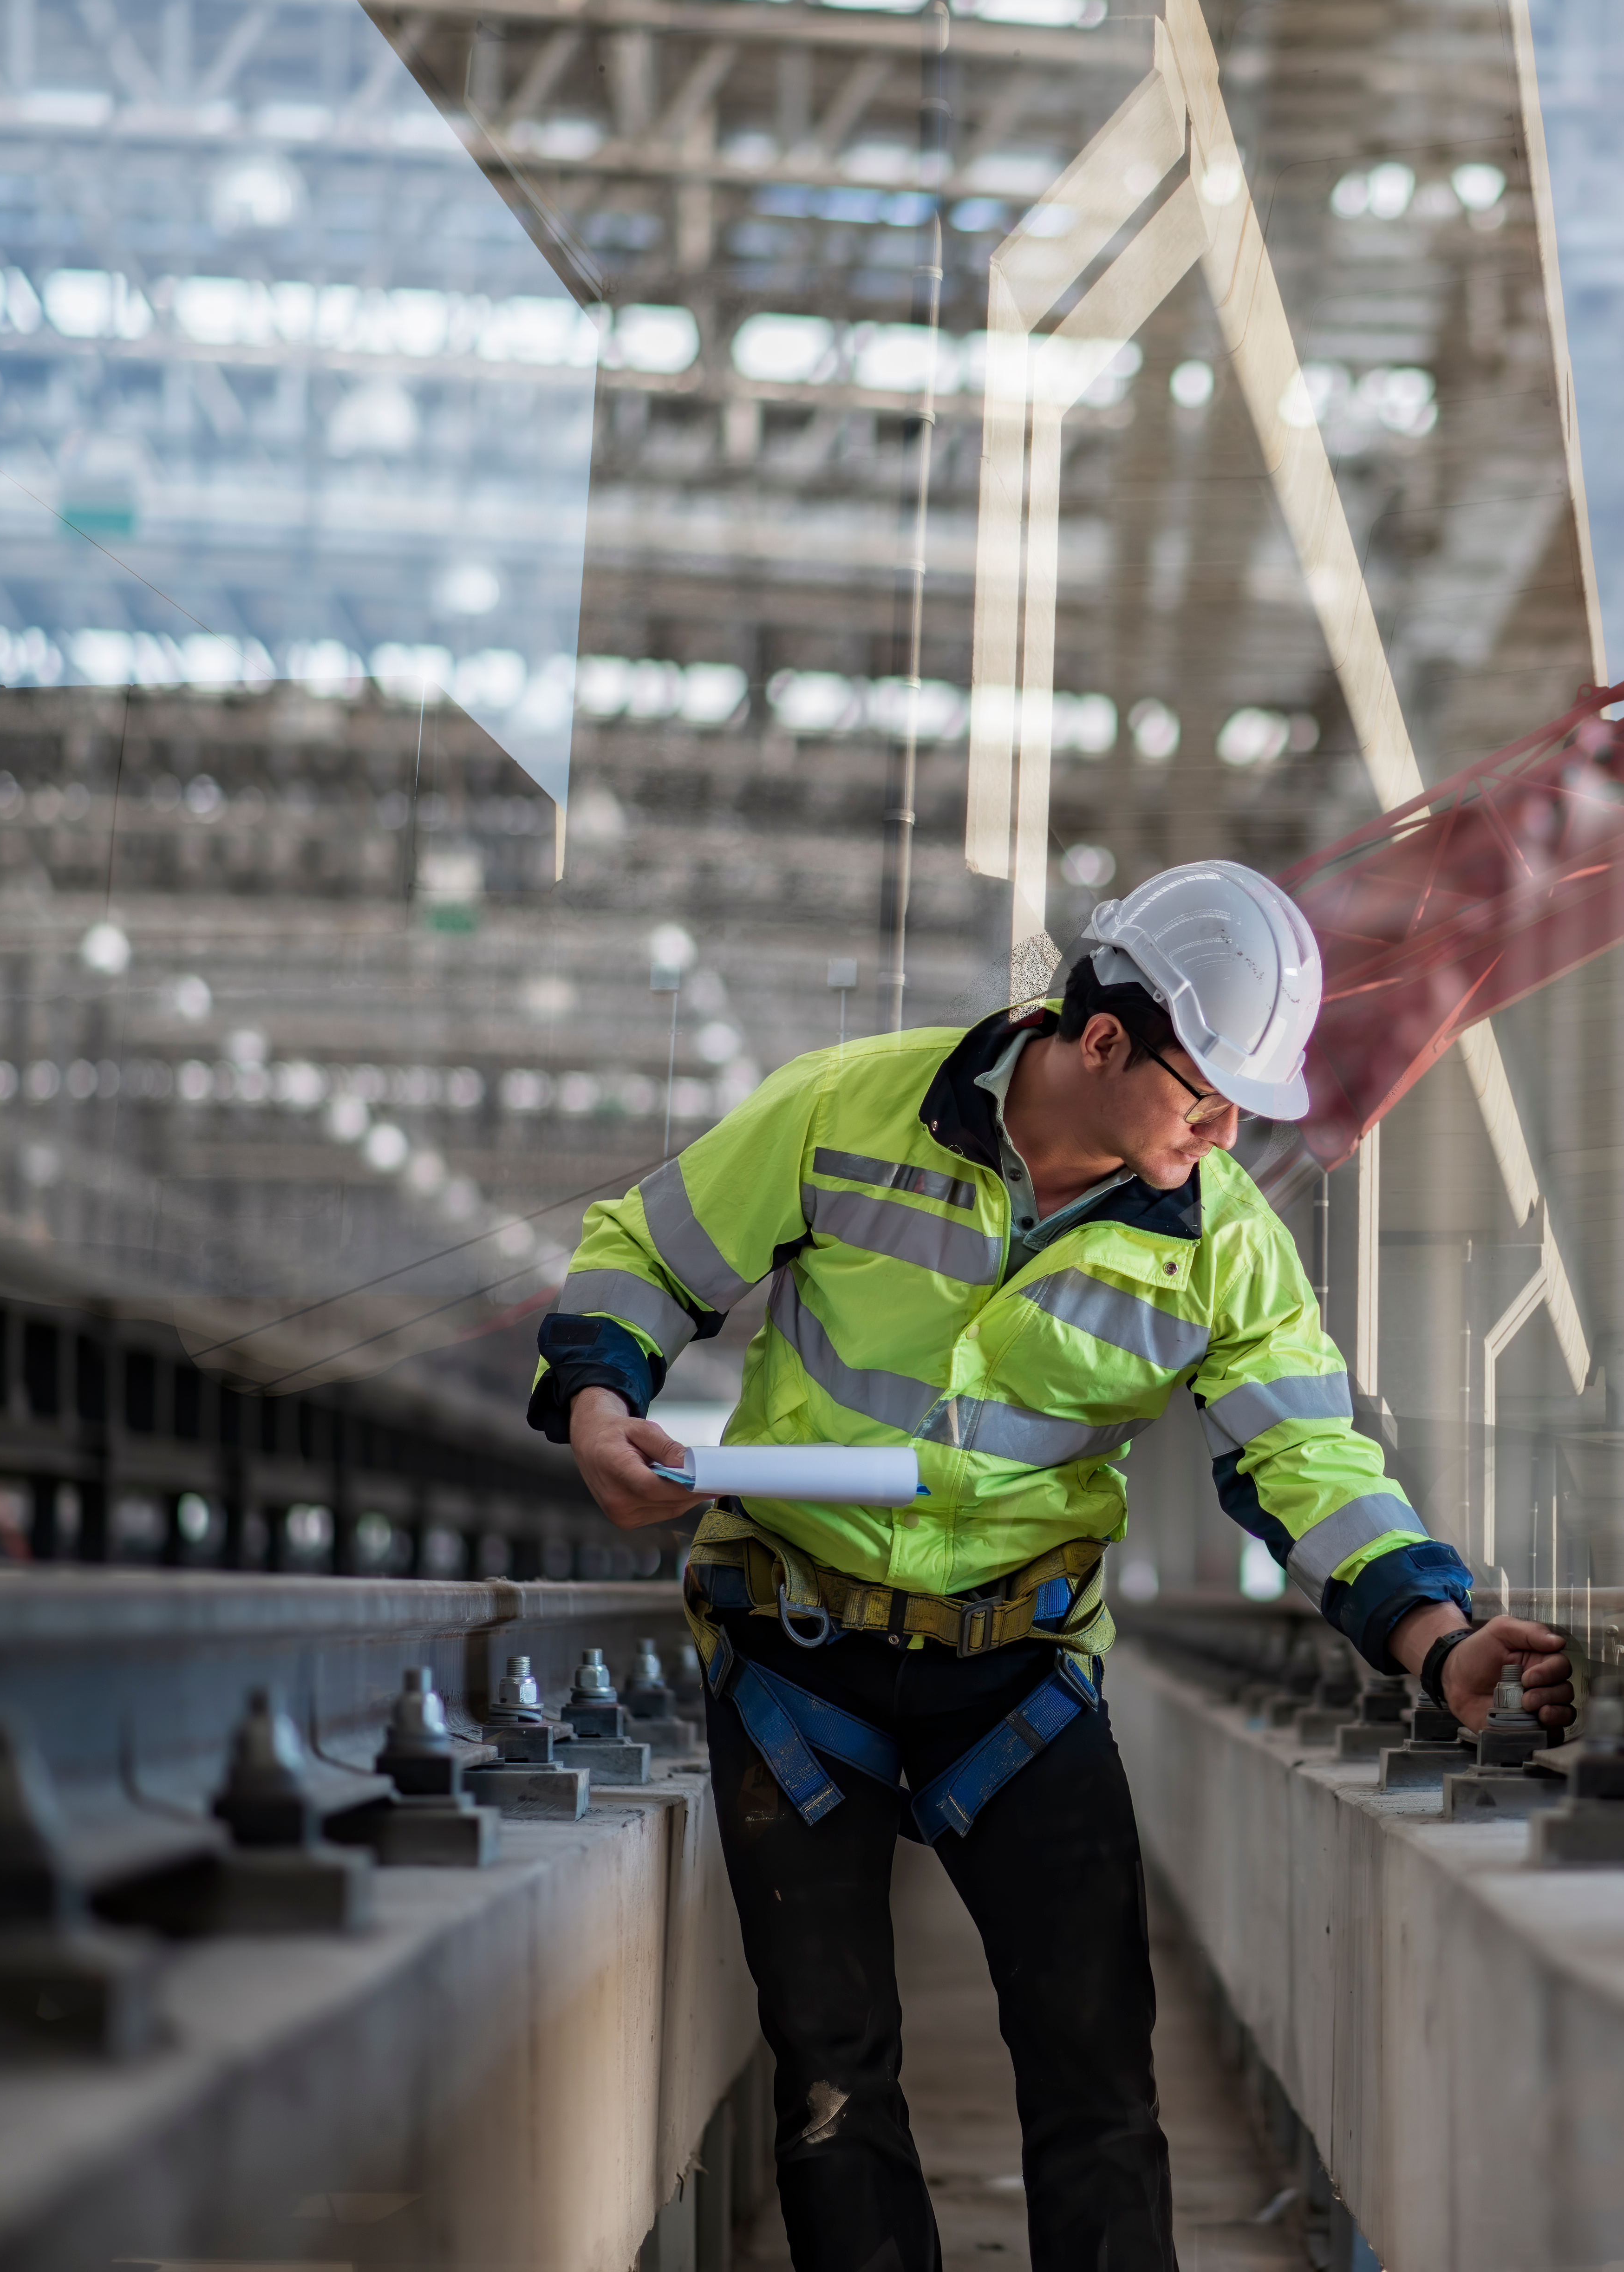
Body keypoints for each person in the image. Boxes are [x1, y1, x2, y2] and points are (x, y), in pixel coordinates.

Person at [528, 859, 1571, 2271]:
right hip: (796, 1658)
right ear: (1099, 1039)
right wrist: (599, 1400)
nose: (1218, 1133)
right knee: (835, 2082)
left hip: (1016, 1687)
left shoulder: (1225, 1250)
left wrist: (1438, 1640)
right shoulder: (847, 1110)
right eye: (1202, 1094)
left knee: (1098, 2083)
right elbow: (644, 1255)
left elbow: (1311, 1466)